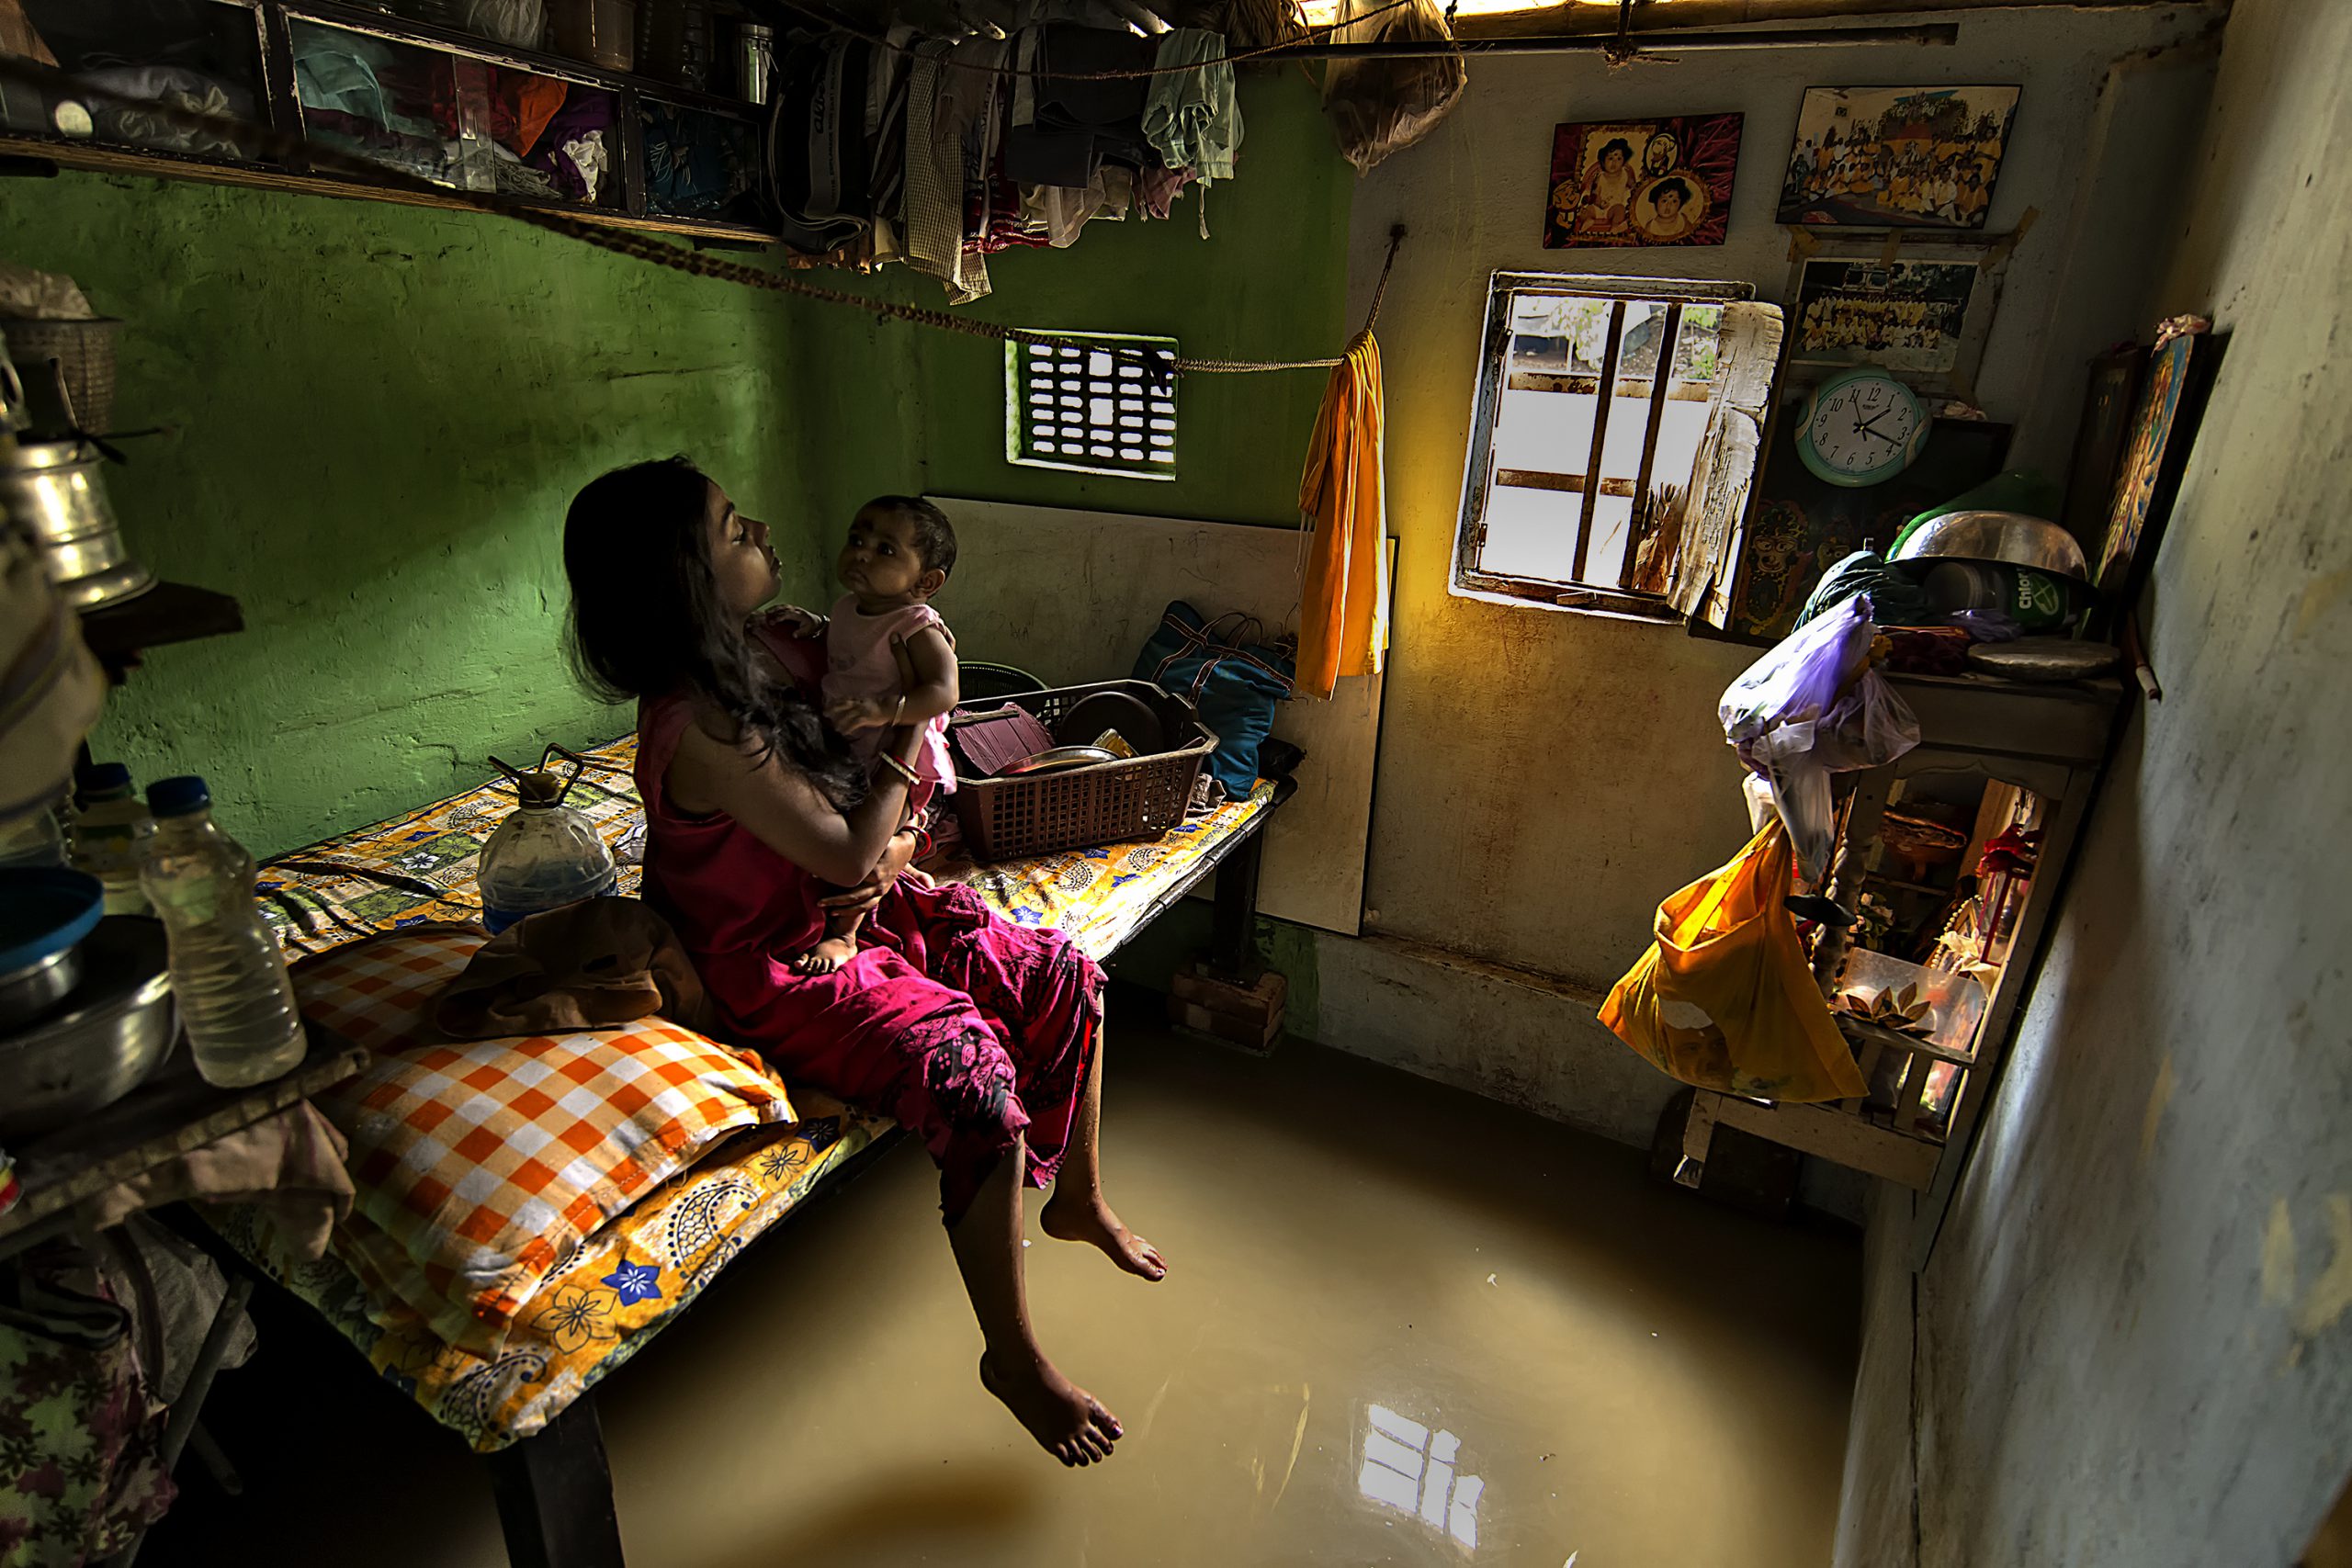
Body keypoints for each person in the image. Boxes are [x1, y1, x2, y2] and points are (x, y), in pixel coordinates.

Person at [562, 457, 1164, 1468]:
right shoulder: (699, 725)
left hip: (852, 908)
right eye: (730, 528)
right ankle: (1010, 1359)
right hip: (770, 957)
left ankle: (1075, 1200)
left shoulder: (772, 650)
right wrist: (902, 761)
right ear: (686, 578)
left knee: (1063, 971)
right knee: (972, 1075)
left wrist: (890, 844)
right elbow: (850, 833)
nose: (758, 530)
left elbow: (878, 808)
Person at [767, 496, 960, 976]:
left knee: (874, 837)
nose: (862, 554)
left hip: (896, 752)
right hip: (852, 742)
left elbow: (945, 690)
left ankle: (843, 934)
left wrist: (887, 711)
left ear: (925, 582)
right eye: (857, 540)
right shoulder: (852, 607)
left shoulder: (918, 624)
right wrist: (817, 627)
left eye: (885, 550)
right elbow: (858, 644)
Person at [1577, 137, 1635, 236]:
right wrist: (1599, 204)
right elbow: (1595, 194)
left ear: (1624, 162)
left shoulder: (1625, 174)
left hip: (1614, 208)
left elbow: (1632, 185)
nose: (1614, 162)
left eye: (1619, 159)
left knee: (1620, 210)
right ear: (1603, 161)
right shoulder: (1600, 178)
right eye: (1610, 158)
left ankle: (1616, 226)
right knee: (1587, 210)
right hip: (1599, 208)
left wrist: (1633, 186)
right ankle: (1588, 220)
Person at [1638, 176, 1699, 243]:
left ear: (1680, 204)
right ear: (1656, 202)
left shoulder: (1683, 220)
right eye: (1664, 201)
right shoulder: (1651, 226)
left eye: (1674, 201)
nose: (1668, 205)